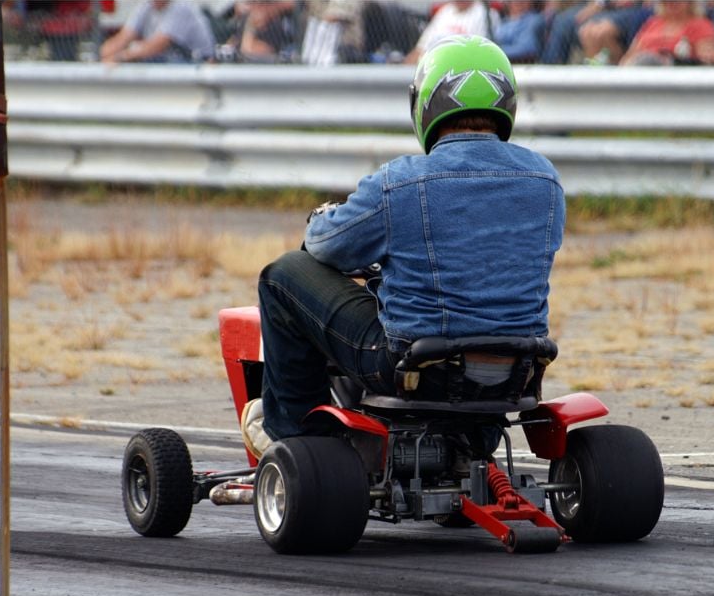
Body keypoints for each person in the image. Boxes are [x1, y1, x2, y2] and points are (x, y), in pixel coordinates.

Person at [242, 35, 565, 456]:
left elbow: (325, 247)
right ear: (506, 103)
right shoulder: (546, 180)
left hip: (415, 368)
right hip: (514, 371)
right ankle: (468, 443)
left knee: (282, 275)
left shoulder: (402, 181)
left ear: (426, 104)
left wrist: (321, 217)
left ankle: (292, 433)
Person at [99, 0, 215, 64]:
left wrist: (120, 57)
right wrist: (109, 54)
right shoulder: (146, 7)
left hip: (195, 62)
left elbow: (157, 46)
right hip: (163, 61)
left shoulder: (181, 7)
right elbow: (123, 38)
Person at [618, 0, 714, 65]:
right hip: (639, 75)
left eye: (677, 0)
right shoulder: (653, 23)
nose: (671, 2)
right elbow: (629, 56)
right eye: (667, 0)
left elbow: (706, 60)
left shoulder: (701, 25)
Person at [405, 1, 498, 64]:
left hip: (458, 66)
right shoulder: (445, 11)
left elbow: (477, 52)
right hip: (430, 64)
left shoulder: (485, 13)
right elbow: (420, 48)